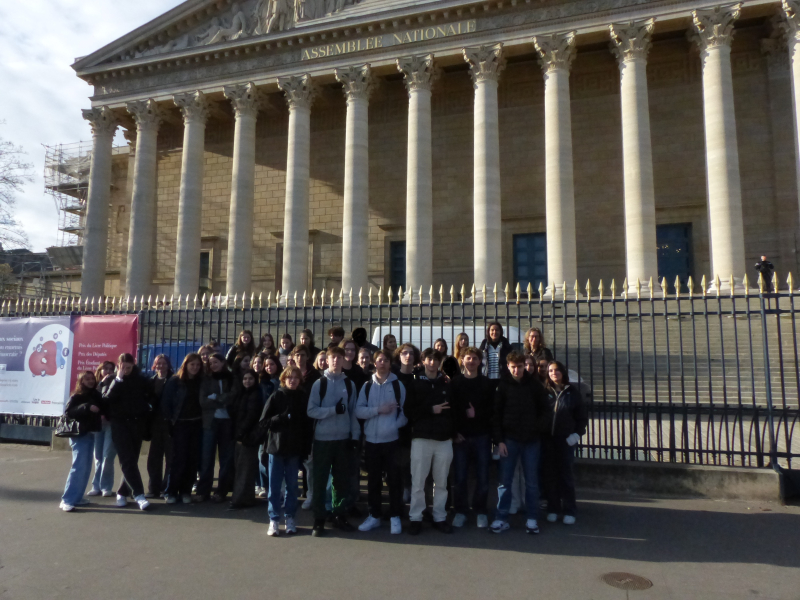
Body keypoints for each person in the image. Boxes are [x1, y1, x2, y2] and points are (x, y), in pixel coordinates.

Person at [490, 352, 551, 534]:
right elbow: (496, 415)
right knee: (504, 482)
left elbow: (546, 411)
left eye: (519, 366)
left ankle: (532, 518)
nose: (516, 370)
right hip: (509, 440)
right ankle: (501, 518)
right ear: (508, 367)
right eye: (513, 367)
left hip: (531, 440)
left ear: (524, 367)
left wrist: (536, 428)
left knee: (531, 482)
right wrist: (499, 441)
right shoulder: (503, 386)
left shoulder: (535, 386)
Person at [306, 346, 359, 537]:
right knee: (320, 480)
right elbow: (311, 410)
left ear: (344, 360)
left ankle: (339, 514)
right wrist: (331, 411)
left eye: (339, 357)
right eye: (332, 358)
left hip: (343, 439)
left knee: (341, 480)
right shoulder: (319, 384)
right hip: (323, 439)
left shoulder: (350, 385)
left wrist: (354, 436)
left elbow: (353, 412)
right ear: (327, 360)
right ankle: (319, 519)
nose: (336, 360)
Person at [355, 350, 407, 534]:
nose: (382, 363)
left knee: (394, 480)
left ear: (390, 363)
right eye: (379, 360)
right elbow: (359, 411)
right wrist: (378, 410)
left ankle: (394, 516)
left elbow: (405, 414)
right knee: (373, 481)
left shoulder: (398, 385)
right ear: (374, 363)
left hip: (391, 441)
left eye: (385, 360)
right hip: (371, 441)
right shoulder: (367, 386)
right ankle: (374, 515)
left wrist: (393, 426)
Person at [404, 348, 454, 535]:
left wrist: (452, 432)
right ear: (424, 361)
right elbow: (409, 411)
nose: (433, 363)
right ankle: (416, 518)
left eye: (436, 359)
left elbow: (453, 410)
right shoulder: (415, 383)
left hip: (443, 440)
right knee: (418, 482)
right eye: (429, 359)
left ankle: (439, 517)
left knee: (441, 483)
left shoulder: (447, 383)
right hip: (421, 438)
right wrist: (430, 409)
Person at [261, 365, 314, 536]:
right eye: (289, 377)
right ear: (284, 379)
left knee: (292, 486)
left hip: (294, 449)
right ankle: (274, 519)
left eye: (296, 378)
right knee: (274, 486)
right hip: (276, 448)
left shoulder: (302, 398)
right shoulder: (276, 396)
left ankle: (290, 517)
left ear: (299, 380)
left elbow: (307, 426)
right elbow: (264, 422)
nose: (292, 380)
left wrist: (305, 448)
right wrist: (281, 418)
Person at [450, 347, 494, 529]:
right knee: (460, 478)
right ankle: (460, 510)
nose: (471, 361)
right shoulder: (455, 383)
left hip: (482, 436)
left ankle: (481, 510)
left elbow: (493, 410)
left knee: (483, 478)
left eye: (475, 358)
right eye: (468, 358)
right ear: (462, 360)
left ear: (480, 361)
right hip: (461, 437)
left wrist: (477, 414)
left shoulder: (486, 383)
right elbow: (450, 409)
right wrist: (454, 432)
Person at [104, 353, 153, 511]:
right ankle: (139, 494)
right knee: (126, 460)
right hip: (119, 425)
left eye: (128, 367)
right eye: (122, 367)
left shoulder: (142, 379)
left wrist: (147, 408)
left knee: (132, 459)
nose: (125, 370)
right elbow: (107, 399)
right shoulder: (112, 380)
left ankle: (122, 491)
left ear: (134, 365)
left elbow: (151, 398)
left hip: (136, 424)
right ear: (118, 366)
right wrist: (118, 380)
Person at [543, 361, 587, 526]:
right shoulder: (545, 391)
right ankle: (553, 508)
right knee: (550, 476)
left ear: (562, 372)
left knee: (566, 476)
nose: (554, 373)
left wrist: (576, 435)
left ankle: (569, 509)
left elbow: (581, 418)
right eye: (551, 371)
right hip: (548, 440)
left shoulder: (573, 393)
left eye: (557, 370)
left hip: (565, 440)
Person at [60, 371, 106, 511]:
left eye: (92, 378)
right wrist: (86, 407)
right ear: (81, 381)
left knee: (85, 468)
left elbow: (105, 406)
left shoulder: (96, 394)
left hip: (90, 433)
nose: (91, 381)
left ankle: (77, 497)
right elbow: (69, 412)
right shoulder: (77, 396)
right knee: (78, 466)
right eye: (87, 379)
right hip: (79, 435)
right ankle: (67, 499)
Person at [162, 353, 205, 504]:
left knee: (192, 460)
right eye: (192, 364)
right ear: (185, 365)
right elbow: (166, 404)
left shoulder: (201, 381)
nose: (195, 367)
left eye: (198, 365)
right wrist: (170, 424)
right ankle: (171, 491)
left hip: (196, 424)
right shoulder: (175, 381)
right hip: (179, 424)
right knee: (177, 460)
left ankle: (186, 491)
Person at [198, 353, 239, 502]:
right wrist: (221, 400)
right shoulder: (206, 379)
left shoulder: (231, 378)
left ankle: (222, 491)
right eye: (210, 363)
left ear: (223, 363)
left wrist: (216, 397)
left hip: (227, 421)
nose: (212, 365)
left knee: (226, 458)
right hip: (210, 422)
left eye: (215, 362)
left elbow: (233, 396)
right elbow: (203, 401)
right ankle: (203, 491)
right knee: (207, 457)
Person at [229, 370, 264, 510]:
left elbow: (251, 416)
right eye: (245, 379)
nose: (247, 381)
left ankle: (238, 499)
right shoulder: (242, 394)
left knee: (244, 470)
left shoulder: (255, 394)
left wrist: (241, 434)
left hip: (247, 437)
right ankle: (247, 498)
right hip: (241, 435)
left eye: (250, 378)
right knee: (243, 468)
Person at [394, 343, 420, 503]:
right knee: (401, 460)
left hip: (416, 423)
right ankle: (404, 489)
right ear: (399, 356)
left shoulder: (419, 376)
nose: (408, 356)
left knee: (416, 461)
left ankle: (413, 490)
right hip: (398, 423)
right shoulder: (394, 378)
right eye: (404, 353)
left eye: (411, 353)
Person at [146, 354, 174, 498]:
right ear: (154, 366)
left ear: (168, 365)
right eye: (158, 363)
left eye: (163, 363)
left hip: (170, 424)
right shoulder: (150, 381)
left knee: (170, 458)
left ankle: (166, 488)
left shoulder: (174, 380)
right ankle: (153, 488)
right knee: (154, 458)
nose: (161, 366)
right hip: (155, 425)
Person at [89, 360, 116, 497]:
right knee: (98, 456)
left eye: (111, 369)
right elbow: (92, 399)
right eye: (105, 369)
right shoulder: (94, 387)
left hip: (110, 424)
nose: (108, 372)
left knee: (107, 456)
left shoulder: (116, 385)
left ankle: (106, 486)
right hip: (97, 425)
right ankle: (96, 486)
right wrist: (101, 383)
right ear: (100, 371)